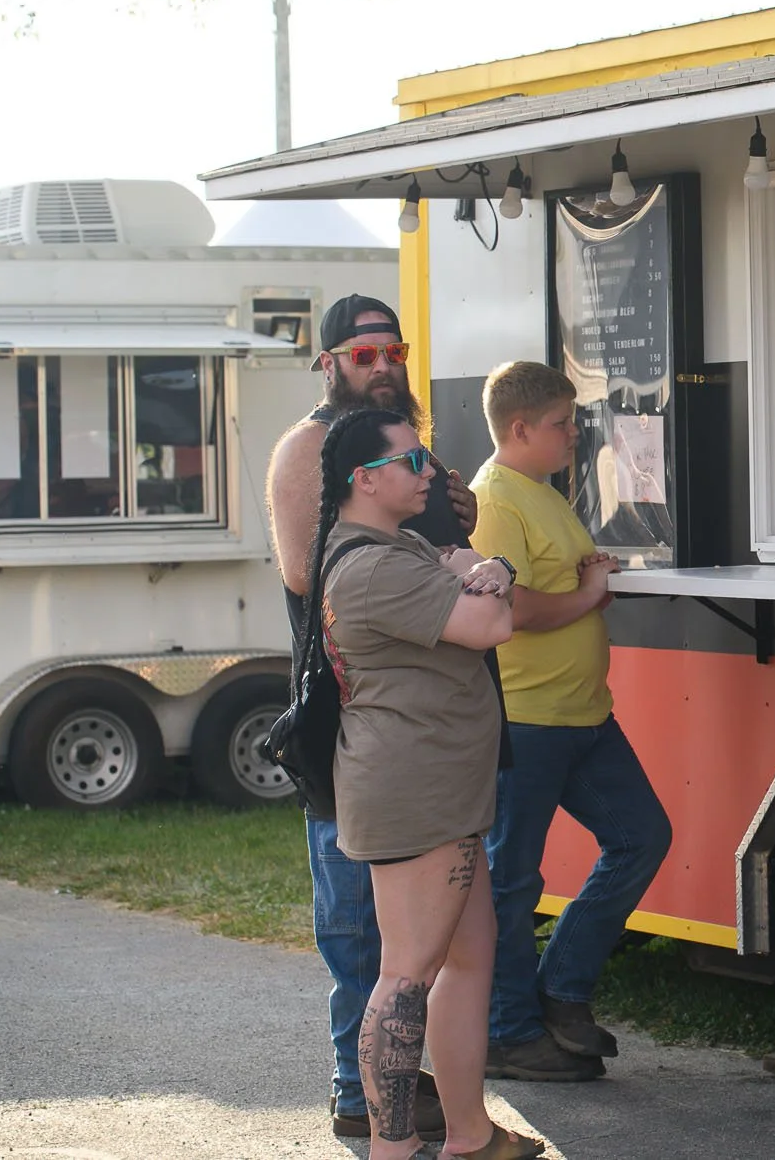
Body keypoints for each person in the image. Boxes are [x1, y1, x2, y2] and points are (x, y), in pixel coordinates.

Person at [265, 294, 479, 1141]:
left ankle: (402, 1087)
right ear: (330, 365)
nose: (384, 365)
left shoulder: (404, 446)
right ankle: (358, 1095)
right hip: (350, 713)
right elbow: (300, 569)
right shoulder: (310, 447)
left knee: (423, 927)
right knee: (357, 919)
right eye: (364, 354)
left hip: (427, 717)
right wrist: (438, 552)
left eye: (394, 350)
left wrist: (454, 522)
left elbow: (454, 546)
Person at [308, 408, 538, 1160]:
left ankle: (469, 1134)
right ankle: (391, 1147)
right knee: (406, 974)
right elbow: (489, 623)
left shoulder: (394, 544)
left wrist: (486, 574)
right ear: (364, 480)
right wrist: (497, 572)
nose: (430, 471)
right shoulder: (374, 565)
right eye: (414, 460)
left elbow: (472, 581)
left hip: (442, 786)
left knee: (471, 953)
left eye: (428, 456)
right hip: (416, 793)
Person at [470, 361, 672, 1081]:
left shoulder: (542, 493)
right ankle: (507, 1033)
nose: (574, 435)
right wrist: (589, 594)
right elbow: (510, 609)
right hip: (526, 721)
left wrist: (590, 576)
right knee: (511, 880)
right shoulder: (495, 499)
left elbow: (560, 581)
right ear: (519, 428)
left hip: (583, 714)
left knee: (643, 835)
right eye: (562, 423)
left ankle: (559, 991)